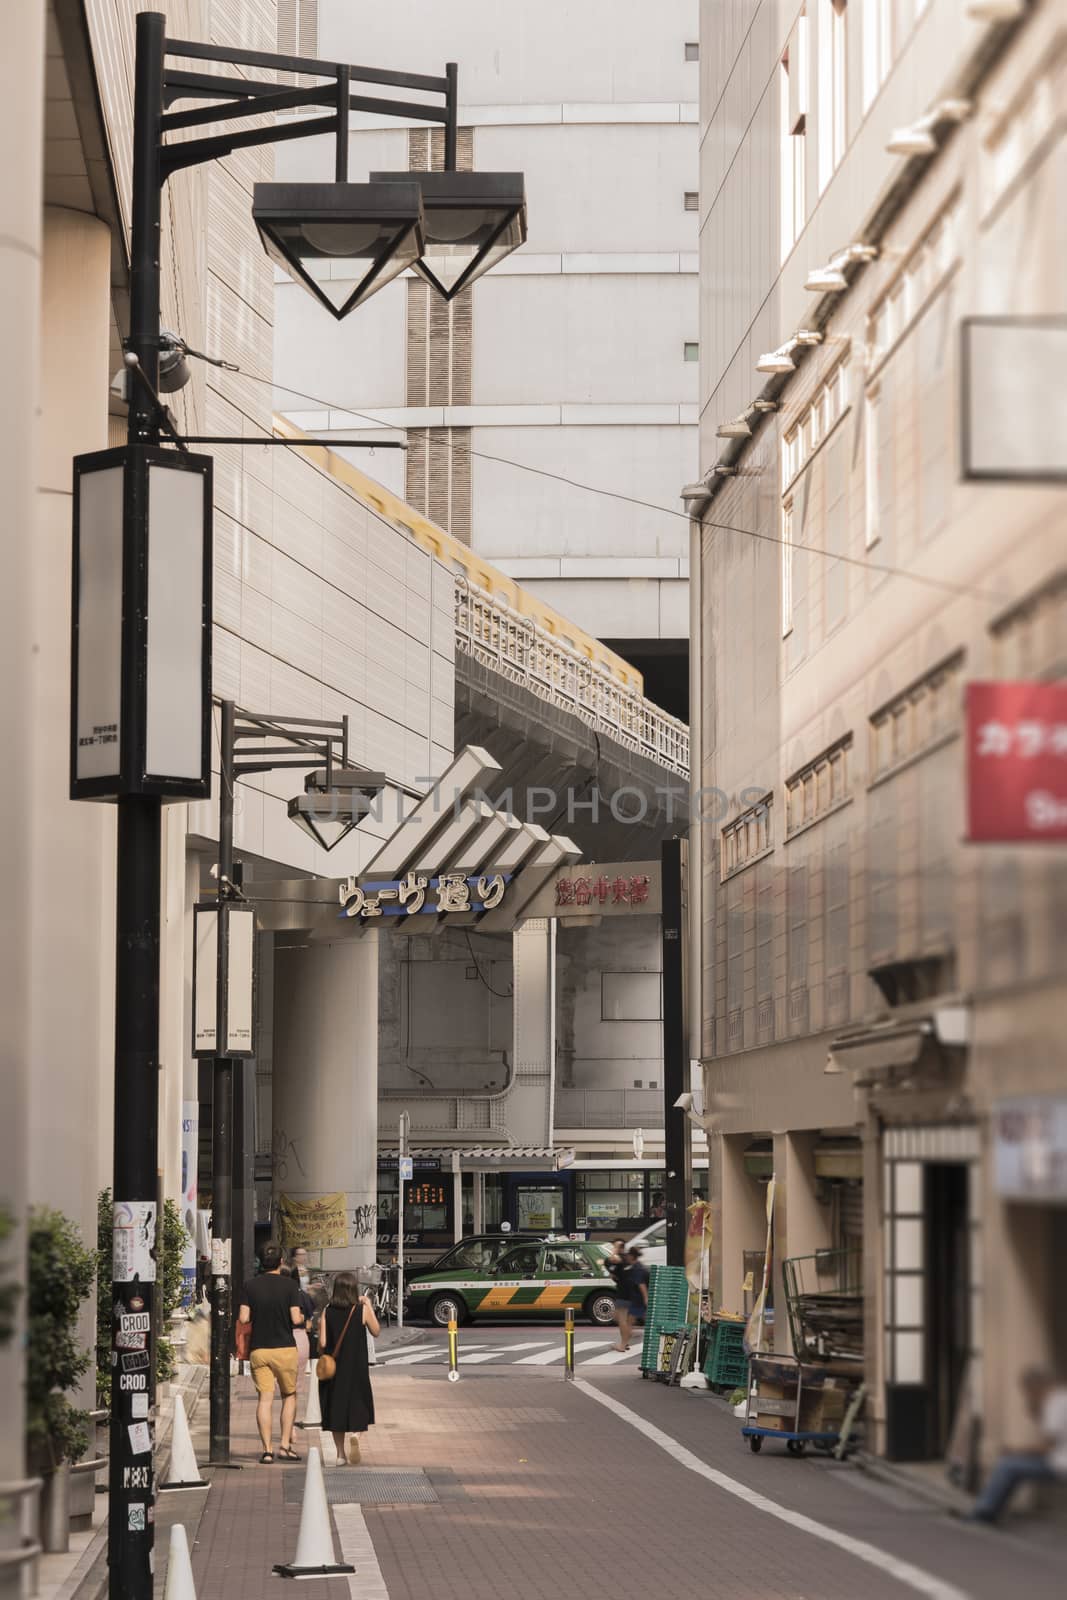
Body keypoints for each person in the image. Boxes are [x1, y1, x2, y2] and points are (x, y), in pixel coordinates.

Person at [966, 1368, 1067, 1523]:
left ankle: (983, 1513)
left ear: (1035, 1387)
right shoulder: (1059, 1399)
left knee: (1008, 1465)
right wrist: (1034, 1409)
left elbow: (1047, 1447)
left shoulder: (1055, 1403)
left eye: (1026, 1391)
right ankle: (988, 1509)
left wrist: (1015, 1450)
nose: (1026, 1395)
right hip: (1058, 1460)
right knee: (1012, 1465)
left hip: (1060, 1464)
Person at [237, 1242, 303, 1464]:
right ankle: (285, 1446)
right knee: (289, 1396)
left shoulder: (250, 1286)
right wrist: (303, 1318)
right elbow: (295, 1318)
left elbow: (244, 1318)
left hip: (259, 1349)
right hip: (284, 1348)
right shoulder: (290, 1286)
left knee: (264, 1399)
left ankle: (267, 1450)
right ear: (281, 1262)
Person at [318, 1270, 380, 1466]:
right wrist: (369, 1304)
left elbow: (322, 1342)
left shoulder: (327, 1311)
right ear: (354, 1290)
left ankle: (340, 1454)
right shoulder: (360, 1310)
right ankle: (356, 1435)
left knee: (336, 1408)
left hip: (335, 1371)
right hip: (357, 1368)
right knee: (359, 1405)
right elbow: (376, 1331)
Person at [280, 1264, 315, 1375]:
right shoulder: (303, 1295)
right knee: (296, 1382)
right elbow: (309, 1324)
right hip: (300, 1338)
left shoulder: (278, 1295)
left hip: (279, 1339)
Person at [606, 1238, 633, 1352]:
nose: (614, 1248)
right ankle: (626, 1339)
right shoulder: (625, 1259)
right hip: (626, 1291)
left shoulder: (620, 1257)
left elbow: (613, 1258)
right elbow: (614, 1273)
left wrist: (615, 1250)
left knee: (622, 1319)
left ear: (621, 1248)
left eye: (616, 1246)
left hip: (624, 1293)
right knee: (619, 1318)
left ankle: (623, 1344)